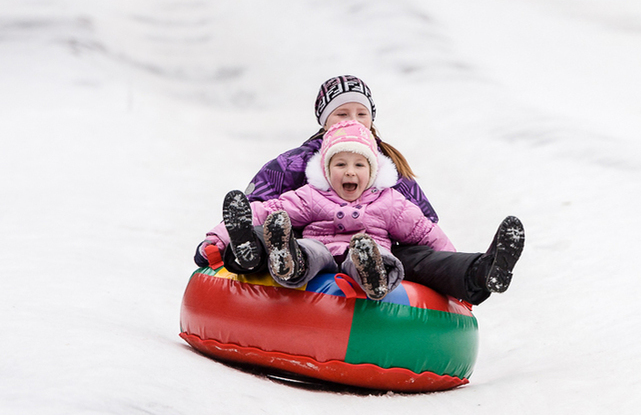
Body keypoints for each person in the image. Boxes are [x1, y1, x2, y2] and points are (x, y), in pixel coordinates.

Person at [201, 120, 524, 302]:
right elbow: (266, 209)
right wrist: (218, 236)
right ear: (327, 171)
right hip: (322, 251)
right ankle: (286, 259)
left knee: (371, 256)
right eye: (339, 164)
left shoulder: (390, 202)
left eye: (358, 164)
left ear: (372, 172)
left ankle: (484, 269)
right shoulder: (311, 195)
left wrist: (449, 276)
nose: (349, 172)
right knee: (307, 249)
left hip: (369, 252)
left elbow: (427, 233)